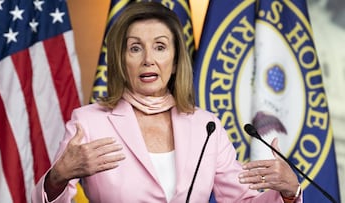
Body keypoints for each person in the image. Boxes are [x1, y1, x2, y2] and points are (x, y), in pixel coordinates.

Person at [32, 2, 302, 203]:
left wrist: (289, 192)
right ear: (121, 60)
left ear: (174, 62)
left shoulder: (206, 126)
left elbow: (242, 201)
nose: (148, 59)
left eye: (160, 47)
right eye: (135, 48)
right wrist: (58, 177)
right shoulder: (89, 122)